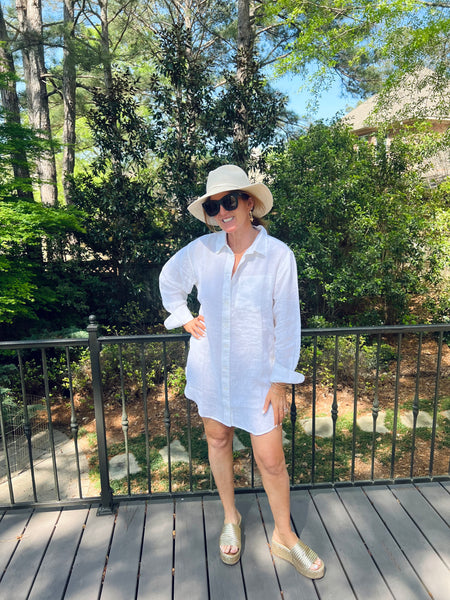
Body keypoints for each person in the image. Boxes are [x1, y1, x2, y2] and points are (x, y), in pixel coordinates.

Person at [159, 165, 324, 579]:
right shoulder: (201, 251)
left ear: (249, 202)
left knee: (271, 459)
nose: (222, 212)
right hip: (211, 370)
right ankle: (230, 516)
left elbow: (288, 322)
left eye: (229, 201)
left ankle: (284, 535)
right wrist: (184, 318)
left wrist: (281, 380)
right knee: (218, 440)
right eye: (213, 206)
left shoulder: (278, 256)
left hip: (259, 378)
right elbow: (169, 279)